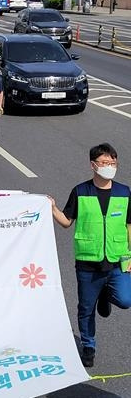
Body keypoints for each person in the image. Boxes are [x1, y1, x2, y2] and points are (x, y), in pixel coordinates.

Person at [49, 143, 131, 368]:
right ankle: (88, 346)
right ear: (93, 165)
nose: (110, 167)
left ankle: (106, 294)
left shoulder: (124, 192)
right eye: (105, 163)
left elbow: (129, 225)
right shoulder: (80, 191)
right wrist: (52, 208)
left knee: (126, 300)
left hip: (117, 260)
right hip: (88, 263)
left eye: (113, 163)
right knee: (86, 308)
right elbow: (67, 222)